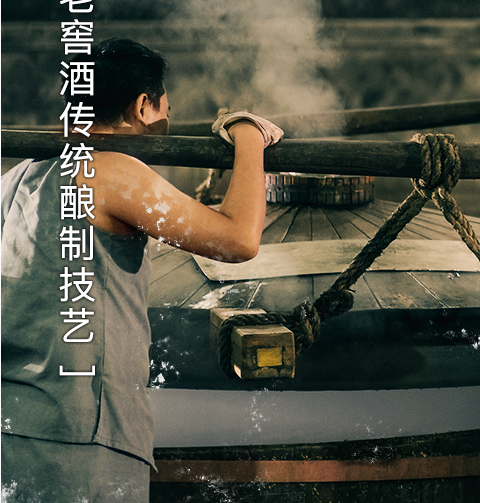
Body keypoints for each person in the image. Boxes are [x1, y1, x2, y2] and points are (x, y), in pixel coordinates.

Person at [1, 38, 283, 502]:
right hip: (81, 441)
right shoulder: (109, 172)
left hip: (12, 432)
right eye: (165, 110)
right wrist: (251, 135)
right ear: (142, 106)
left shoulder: (14, 179)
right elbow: (238, 239)